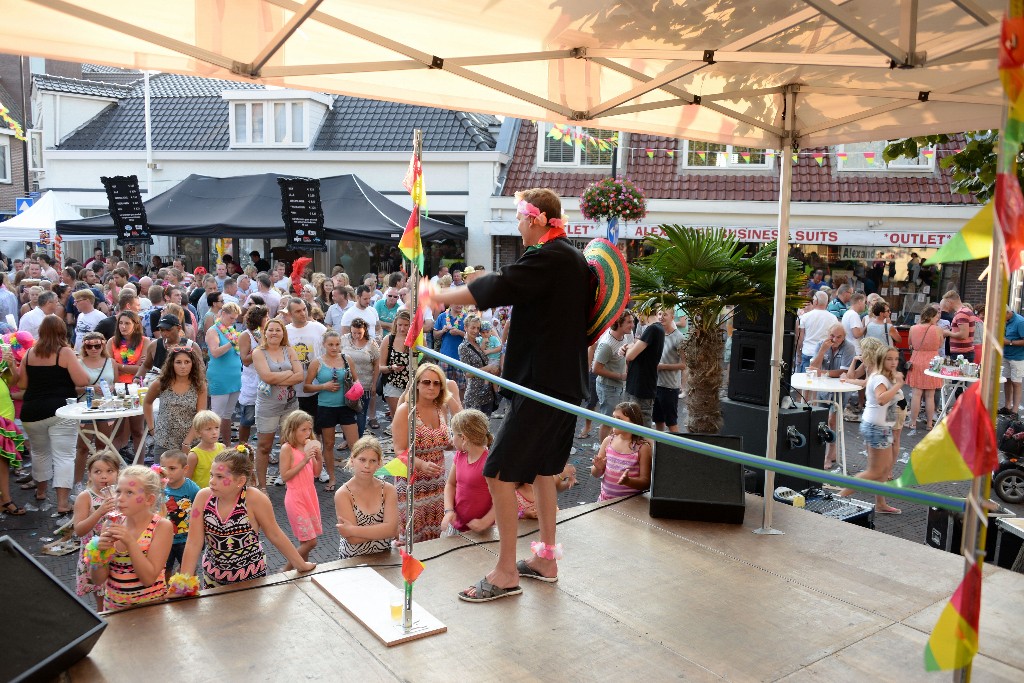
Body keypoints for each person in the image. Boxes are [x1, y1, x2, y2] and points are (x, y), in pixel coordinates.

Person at [427, 187, 590, 602]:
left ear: (536, 219)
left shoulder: (547, 258)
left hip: (541, 387)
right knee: (543, 472)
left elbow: (496, 287)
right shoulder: (575, 260)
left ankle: (504, 572)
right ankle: (545, 559)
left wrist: (440, 296)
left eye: (520, 219)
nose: (518, 227)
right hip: (563, 384)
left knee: (498, 472)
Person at [180, 449, 315, 588]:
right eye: (211, 475)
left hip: (251, 577)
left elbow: (274, 534)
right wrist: (183, 583)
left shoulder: (254, 499)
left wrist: (300, 564)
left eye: (220, 477)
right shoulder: (203, 498)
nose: (212, 482)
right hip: (214, 577)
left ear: (240, 480)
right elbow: (193, 542)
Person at [19, 315, 91, 522]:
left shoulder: (29, 353)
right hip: (61, 411)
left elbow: (23, 384)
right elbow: (82, 380)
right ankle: (62, 503)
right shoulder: (64, 352)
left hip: (32, 411)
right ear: (62, 332)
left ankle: (41, 492)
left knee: (39, 453)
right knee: (64, 456)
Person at [89, 465, 173, 612]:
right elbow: (98, 579)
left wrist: (130, 542)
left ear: (149, 499)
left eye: (129, 493)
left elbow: (148, 578)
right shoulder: (110, 524)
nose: (120, 498)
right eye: (118, 491)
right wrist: (99, 555)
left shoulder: (161, 527)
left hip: (150, 610)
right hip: (113, 609)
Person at [390, 363, 453, 544]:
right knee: (411, 538)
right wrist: (421, 464)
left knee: (433, 536)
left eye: (437, 383)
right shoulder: (406, 411)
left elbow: (443, 442)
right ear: (416, 384)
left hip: (437, 484)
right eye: (426, 382)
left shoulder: (441, 408)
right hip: (411, 483)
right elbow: (399, 451)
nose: (431, 387)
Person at [839, 345, 903, 514]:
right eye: (889, 359)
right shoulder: (881, 377)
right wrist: (898, 386)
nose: (894, 362)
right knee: (874, 472)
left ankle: (881, 503)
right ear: (881, 359)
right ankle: (838, 497)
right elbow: (881, 399)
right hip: (877, 427)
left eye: (896, 358)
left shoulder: (881, 375)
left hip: (881, 426)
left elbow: (864, 384)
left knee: (884, 467)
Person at [306, 329, 360, 491]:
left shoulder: (346, 359)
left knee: (355, 444)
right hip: (326, 407)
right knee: (328, 444)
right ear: (324, 345)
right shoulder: (317, 363)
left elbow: (356, 380)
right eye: (330, 344)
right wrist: (324, 386)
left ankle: (358, 477)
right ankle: (332, 478)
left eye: (337, 344)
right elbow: (306, 387)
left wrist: (355, 388)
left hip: (346, 406)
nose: (334, 347)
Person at [253, 319, 303, 490]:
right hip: (268, 406)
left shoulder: (289, 350)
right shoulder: (259, 352)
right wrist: (289, 374)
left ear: (283, 333)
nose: (274, 333)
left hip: (290, 404)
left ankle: (288, 479)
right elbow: (266, 377)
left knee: (289, 444)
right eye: (271, 330)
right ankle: (262, 485)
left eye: (278, 330)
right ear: (265, 333)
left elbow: (300, 376)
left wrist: (279, 378)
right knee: (264, 446)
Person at [335, 435, 398, 559]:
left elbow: (391, 530)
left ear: (379, 463)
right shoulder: (343, 494)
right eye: (362, 460)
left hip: (384, 557)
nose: (367, 465)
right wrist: (383, 530)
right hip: (352, 559)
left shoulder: (388, 490)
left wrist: (352, 529)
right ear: (352, 460)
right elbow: (353, 540)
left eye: (372, 461)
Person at [72, 450, 121, 610]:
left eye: (109, 471)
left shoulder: (121, 494)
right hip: (96, 555)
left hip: (118, 554)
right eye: (98, 472)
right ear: (90, 475)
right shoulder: (85, 497)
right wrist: (99, 512)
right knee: (103, 602)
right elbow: (79, 530)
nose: (104, 476)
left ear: (118, 473)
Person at [278, 411, 323, 570]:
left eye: (309, 429)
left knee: (306, 541)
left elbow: (316, 473)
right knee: (311, 541)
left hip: (310, 495)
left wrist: (319, 456)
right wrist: (304, 460)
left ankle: (301, 570)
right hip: (296, 497)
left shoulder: (308, 446)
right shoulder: (287, 449)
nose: (307, 433)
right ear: (293, 429)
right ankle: (285, 570)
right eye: (303, 429)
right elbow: (285, 476)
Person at [808, 324, 857, 470]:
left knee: (832, 421)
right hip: (824, 389)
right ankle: (826, 452)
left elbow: (843, 371)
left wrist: (824, 373)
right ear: (828, 334)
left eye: (839, 337)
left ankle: (829, 456)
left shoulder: (849, 347)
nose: (834, 339)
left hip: (840, 390)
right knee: (821, 420)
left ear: (844, 337)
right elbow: (813, 367)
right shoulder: (821, 345)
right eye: (832, 336)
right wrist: (822, 351)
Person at [144, 348, 208, 457]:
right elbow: (147, 402)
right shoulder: (161, 383)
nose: (183, 366)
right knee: (162, 473)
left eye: (187, 362)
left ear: (193, 364)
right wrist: (151, 428)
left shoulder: (199, 385)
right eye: (178, 362)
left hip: (191, 441)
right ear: (172, 364)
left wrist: (187, 441)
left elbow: (200, 416)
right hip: (164, 441)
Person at [441, 409, 495, 533]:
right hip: (457, 525)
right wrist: (449, 510)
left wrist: (485, 521)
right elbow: (450, 484)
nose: (451, 439)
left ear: (463, 438)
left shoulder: (489, 463)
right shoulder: (460, 455)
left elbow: (501, 499)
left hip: (484, 530)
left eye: (452, 434)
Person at [590, 401, 653, 500]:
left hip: (630, 503)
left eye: (619, 419)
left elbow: (646, 483)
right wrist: (598, 468)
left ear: (633, 422)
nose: (614, 421)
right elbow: (595, 474)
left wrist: (628, 481)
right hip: (604, 500)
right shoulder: (608, 441)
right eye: (614, 417)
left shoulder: (642, 448)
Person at [106, 310, 149, 454]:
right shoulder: (112, 341)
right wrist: (129, 367)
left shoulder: (145, 341)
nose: (123, 327)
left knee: (138, 430)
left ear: (135, 325)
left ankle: (140, 466)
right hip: (118, 389)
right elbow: (108, 367)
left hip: (137, 388)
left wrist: (119, 366)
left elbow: (141, 368)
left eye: (127, 323)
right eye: (121, 323)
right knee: (117, 431)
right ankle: (113, 464)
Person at [593, 311, 633, 443]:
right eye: (629, 322)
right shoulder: (607, 345)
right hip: (608, 387)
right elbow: (596, 369)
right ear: (618, 324)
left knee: (616, 419)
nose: (632, 325)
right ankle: (602, 452)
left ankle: (611, 448)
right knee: (608, 421)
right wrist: (620, 376)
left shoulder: (627, 335)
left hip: (620, 386)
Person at [205, 301, 243, 443]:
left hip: (234, 377)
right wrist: (232, 343)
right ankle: (211, 446)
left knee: (228, 415)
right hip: (220, 377)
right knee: (216, 416)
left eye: (235, 319)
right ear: (223, 314)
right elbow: (215, 353)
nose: (233, 321)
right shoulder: (213, 330)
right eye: (231, 318)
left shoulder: (230, 330)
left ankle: (226, 446)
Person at [285, 297, 326, 426]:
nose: (303, 313)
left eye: (304, 309)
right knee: (296, 427)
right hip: (293, 389)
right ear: (290, 314)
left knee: (316, 427)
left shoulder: (319, 329)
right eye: (298, 311)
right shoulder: (285, 331)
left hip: (316, 387)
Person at [159, 449, 200, 575]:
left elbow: (199, 510)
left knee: (189, 570)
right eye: (163, 468)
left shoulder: (192, 488)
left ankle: (190, 592)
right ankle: (164, 591)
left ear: (185, 469)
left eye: (172, 468)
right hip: (164, 539)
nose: (167, 472)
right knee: (164, 570)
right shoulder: (159, 487)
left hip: (185, 540)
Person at [624, 310, 665, 430]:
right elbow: (637, 347)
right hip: (639, 385)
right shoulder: (655, 329)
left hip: (641, 386)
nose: (637, 317)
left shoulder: (653, 329)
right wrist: (629, 347)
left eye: (637, 313)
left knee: (641, 426)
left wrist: (627, 349)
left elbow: (630, 356)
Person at [905, 306, 944, 431]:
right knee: (930, 396)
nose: (937, 318)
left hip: (916, 359)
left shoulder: (913, 328)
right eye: (936, 316)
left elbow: (910, 343)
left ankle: (912, 422)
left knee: (916, 394)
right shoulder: (938, 330)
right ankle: (929, 424)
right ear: (931, 316)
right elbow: (940, 344)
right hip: (933, 361)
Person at [341, 318, 380, 434]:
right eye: (354, 333)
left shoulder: (371, 343)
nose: (356, 336)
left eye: (359, 333)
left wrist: (374, 385)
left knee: (361, 413)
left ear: (365, 331)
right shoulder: (344, 339)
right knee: (346, 413)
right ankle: (347, 439)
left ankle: (359, 439)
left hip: (364, 385)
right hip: (347, 383)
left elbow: (377, 365)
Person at [237, 305, 268, 448]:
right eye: (266, 317)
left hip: (267, 381)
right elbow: (245, 360)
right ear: (258, 319)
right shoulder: (246, 335)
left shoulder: (269, 333)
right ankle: (242, 448)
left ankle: (264, 450)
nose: (268, 319)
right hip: (251, 382)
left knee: (265, 421)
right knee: (247, 419)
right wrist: (260, 346)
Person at [458, 314, 499, 414]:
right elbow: (467, 373)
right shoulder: (463, 347)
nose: (476, 331)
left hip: (488, 395)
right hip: (474, 396)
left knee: (486, 428)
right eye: (473, 327)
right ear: (465, 328)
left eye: (478, 328)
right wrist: (488, 368)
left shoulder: (481, 341)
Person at [654, 307, 686, 433]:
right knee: (658, 421)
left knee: (671, 423)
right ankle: (659, 448)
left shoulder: (679, 337)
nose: (661, 317)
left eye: (665, 314)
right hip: (655, 384)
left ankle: (676, 450)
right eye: (659, 313)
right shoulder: (657, 334)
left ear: (673, 317)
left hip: (669, 387)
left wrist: (663, 366)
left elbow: (684, 365)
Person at [380, 311, 413, 420]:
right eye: (400, 325)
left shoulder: (417, 340)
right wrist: (391, 368)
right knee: (398, 418)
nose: (402, 328)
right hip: (392, 384)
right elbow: (381, 367)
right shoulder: (389, 340)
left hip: (411, 385)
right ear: (395, 324)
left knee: (412, 419)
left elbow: (423, 361)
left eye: (406, 325)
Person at [795, 291, 836, 374]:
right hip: (825, 353)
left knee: (805, 382)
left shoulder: (805, 317)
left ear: (816, 301)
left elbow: (800, 339)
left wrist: (799, 353)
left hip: (808, 351)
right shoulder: (833, 318)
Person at [185, 410, 224, 489]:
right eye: (208, 429)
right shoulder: (194, 455)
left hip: (220, 492)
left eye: (216, 427)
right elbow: (187, 480)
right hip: (201, 494)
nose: (214, 432)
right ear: (198, 433)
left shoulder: (222, 448)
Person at [940, 290, 976, 362]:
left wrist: (947, 333)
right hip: (964, 352)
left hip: (961, 353)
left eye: (945, 303)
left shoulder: (961, 313)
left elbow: (963, 335)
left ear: (949, 302)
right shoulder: (966, 311)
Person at [1002, 305, 1024, 416]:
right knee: (1007, 380)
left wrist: (1009, 342)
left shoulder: (1020, 322)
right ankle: (1007, 406)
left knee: (1016, 383)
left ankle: (1015, 411)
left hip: (1017, 357)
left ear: (1007, 313)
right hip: (1006, 355)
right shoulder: (1006, 320)